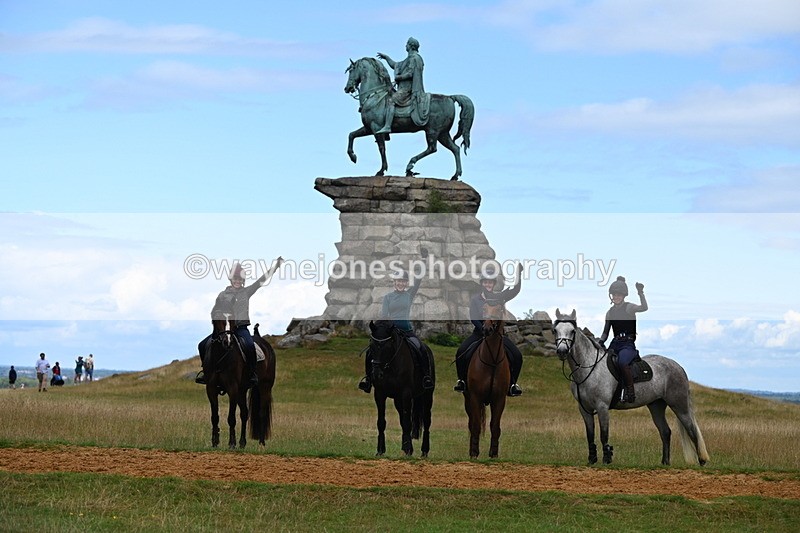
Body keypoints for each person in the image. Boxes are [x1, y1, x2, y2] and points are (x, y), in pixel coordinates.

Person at [196, 257, 284, 387]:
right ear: (231, 280)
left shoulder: (246, 292)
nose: (237, 281)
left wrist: (275, 267)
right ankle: (207, 372)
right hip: (223, 329)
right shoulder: (222, 295)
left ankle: (252, 373)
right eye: (235, 279)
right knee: (202, 345)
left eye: (239, 279)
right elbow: (216, 311)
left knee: (249, 346)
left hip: (241, 328)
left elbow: (261, 281)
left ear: (242, 281)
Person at [359, 267, 434, 393]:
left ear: (406, 283)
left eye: (403, 281)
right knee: (370, 352)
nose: (401, 283)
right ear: (394, 282)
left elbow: (418, 281)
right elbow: (384, 315)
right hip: (391, 331)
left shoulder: (409, 295)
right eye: (398, 281)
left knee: (420, 348)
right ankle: (368, 380)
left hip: (406, 330)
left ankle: (426, 376)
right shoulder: (388, 297)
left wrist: (424, 261)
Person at [454, 264, 524, 397]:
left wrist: (518, 275)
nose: (488, 284)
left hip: (497, 336)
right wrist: (484, 330)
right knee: (461, 352)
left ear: (494, 284)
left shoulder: (499, 297)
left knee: (517, 356)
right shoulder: (475, 299)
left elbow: (515, 290)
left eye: (490, 282)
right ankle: (462, 381)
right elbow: (473, 318)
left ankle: (512, 384)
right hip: (479, 334)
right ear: (482, 283)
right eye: (486, 282)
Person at [597, 276, 648, 403]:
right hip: (615, 344)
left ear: (623, 296)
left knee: (622, 363)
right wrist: (600, 342)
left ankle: (630, 392)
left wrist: (640, 293)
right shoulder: (609, 313)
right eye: (614, 294)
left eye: (619, 294)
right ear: (611, 296)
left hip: (628, 345)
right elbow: (605, 333)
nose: (616, 297)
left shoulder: (629, 308)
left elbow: (644, 308)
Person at [375, 37, 430, 134]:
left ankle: (387, 126)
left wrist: (399, 78)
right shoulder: (408, 59)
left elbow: (410, 73)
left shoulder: (415, 58)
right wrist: (386, 58)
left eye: (407, 44)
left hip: (407, 90)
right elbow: (395, 65)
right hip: (403, 89)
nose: (405, 46)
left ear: (410, 46)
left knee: (391, 101)